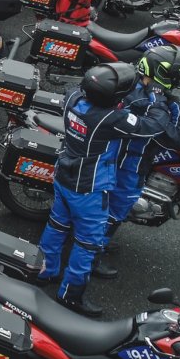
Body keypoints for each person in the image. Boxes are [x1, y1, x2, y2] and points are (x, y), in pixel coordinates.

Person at [37, 62, 172, 317]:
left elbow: (83, 84)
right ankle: (70, 295)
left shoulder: (74, 96)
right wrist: (156, 98)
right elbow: (152, 127)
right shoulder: (111, 119)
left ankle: (45, 271)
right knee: (88, 244)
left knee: (57, 225)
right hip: (88, 189)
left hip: (64, 175)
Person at [94, 45, 180, 278]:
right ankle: (93, 254)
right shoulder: (144, 99)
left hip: (124, 156)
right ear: (162, 73)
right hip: (129, 161)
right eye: (175, 74)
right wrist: (167, 104)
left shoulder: (138, 87)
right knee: (118, 207)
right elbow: (171, 134)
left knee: (115, 206)